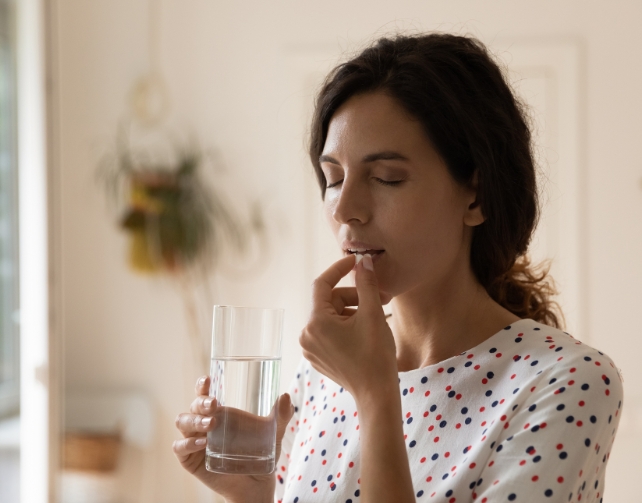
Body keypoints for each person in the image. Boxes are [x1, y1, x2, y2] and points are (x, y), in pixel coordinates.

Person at [172, 33, 623, 503]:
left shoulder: (567, 383)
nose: (346, 208)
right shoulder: (325, 375)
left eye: (386, 178)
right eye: (333, 179)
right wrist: (256, 494)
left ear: (477, 194)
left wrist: (375, 395)